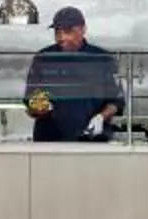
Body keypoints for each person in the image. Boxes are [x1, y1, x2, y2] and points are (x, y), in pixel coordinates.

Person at [23, 7, 122, 142]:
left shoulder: (102, 58)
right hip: (49, 140)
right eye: (58, 32)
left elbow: (116, 101)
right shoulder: (43, 58)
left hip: (91, 138)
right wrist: (38, 109)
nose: (62, 37)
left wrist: (100, 118)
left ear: (83, 29)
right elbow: (30, 99)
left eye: (68, 31)